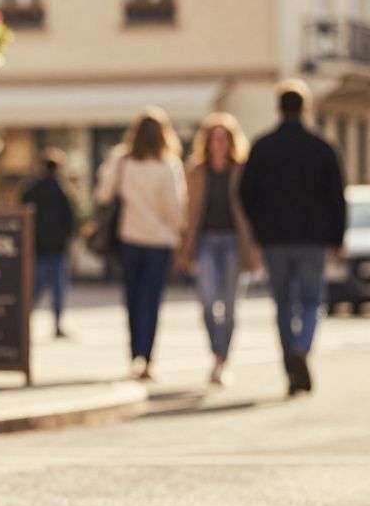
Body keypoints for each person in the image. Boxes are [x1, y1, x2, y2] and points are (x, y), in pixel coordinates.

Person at [239, 80, 347, 396]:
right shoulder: (322, 147)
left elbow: (246, 193)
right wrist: (337, 238)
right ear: (305, 109)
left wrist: (259, 228)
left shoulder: (263, 146)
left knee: (284, 302)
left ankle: (291, 364)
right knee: (312, 301)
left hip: (275, 239)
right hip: (313, 239)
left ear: (278, 108)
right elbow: (336, 196)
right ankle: (302, 347)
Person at [93, 107, 186, 381]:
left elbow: (103, 194)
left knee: (133, 299)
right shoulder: (168, 165)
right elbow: (174, 209)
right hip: (160, 241)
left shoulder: (122, 160)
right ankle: (147, 359)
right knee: (152, 300)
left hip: (129, 238)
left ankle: (135, 354)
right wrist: (179, 235)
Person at [177, 113, 262, 386]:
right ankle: (216, 350)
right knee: (207, 301)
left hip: (234, 243)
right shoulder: (196, 170)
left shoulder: (242, 169)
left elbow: (253, 212)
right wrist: (184, 250)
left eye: (224, 138)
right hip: (205, 242)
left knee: (230, 305)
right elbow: (187, 211)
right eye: (214, 138)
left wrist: (256, 252)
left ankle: (222, 360)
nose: (219, 143)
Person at [21, 148, 76, 338]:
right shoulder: (62, 190)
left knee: (34, 289)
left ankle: (23, 321)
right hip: (57, 248)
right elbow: (70, 220)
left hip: (38, 247)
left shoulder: (31, 190)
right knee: (58, 290)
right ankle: (57, 324)